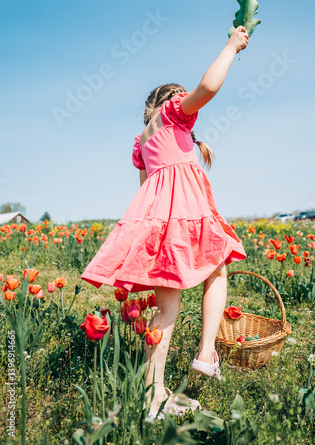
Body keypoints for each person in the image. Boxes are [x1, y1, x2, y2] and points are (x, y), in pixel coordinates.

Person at [81, 25, 249, 417]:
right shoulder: (175, 113)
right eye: (182, 98)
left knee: (166, 306)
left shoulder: (141, 141)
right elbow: (207, 89)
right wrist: (231, 46)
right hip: (187, 210)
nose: (187, 103)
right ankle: (206, 353)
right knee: (218, 270)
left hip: (157, 218)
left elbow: (145, 185)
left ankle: (152, 392)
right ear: (172, 99)